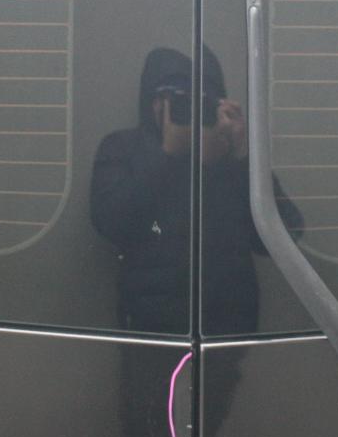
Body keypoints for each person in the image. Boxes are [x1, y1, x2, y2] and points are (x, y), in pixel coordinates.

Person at [89, 46, 300, 336]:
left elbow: (286, 234)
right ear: (152, 101)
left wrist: (241, 155)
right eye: (176, 101)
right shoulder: (124, 148)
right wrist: (168, 155)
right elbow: (111, 223)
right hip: (149, 325)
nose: (187, 111)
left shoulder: (230, 157)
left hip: (230, 325)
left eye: (198, 102)